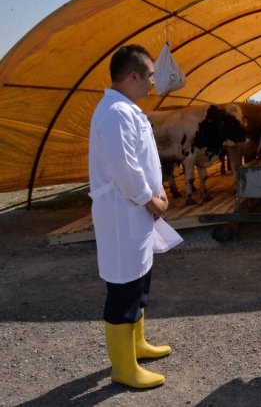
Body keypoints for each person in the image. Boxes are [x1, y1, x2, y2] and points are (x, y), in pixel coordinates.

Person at [89, 44, 179, 388]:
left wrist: (160, 189)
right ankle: (123, 368)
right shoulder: (114, 113)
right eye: (151, 76)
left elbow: (141, 160)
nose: (153, 84)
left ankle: (137, 344)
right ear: (132, 76)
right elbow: (123, 168)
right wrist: (150, 199)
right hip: (124, 212)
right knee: (123, 288)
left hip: (136, 212)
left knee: (139, 281)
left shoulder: (125, 108)